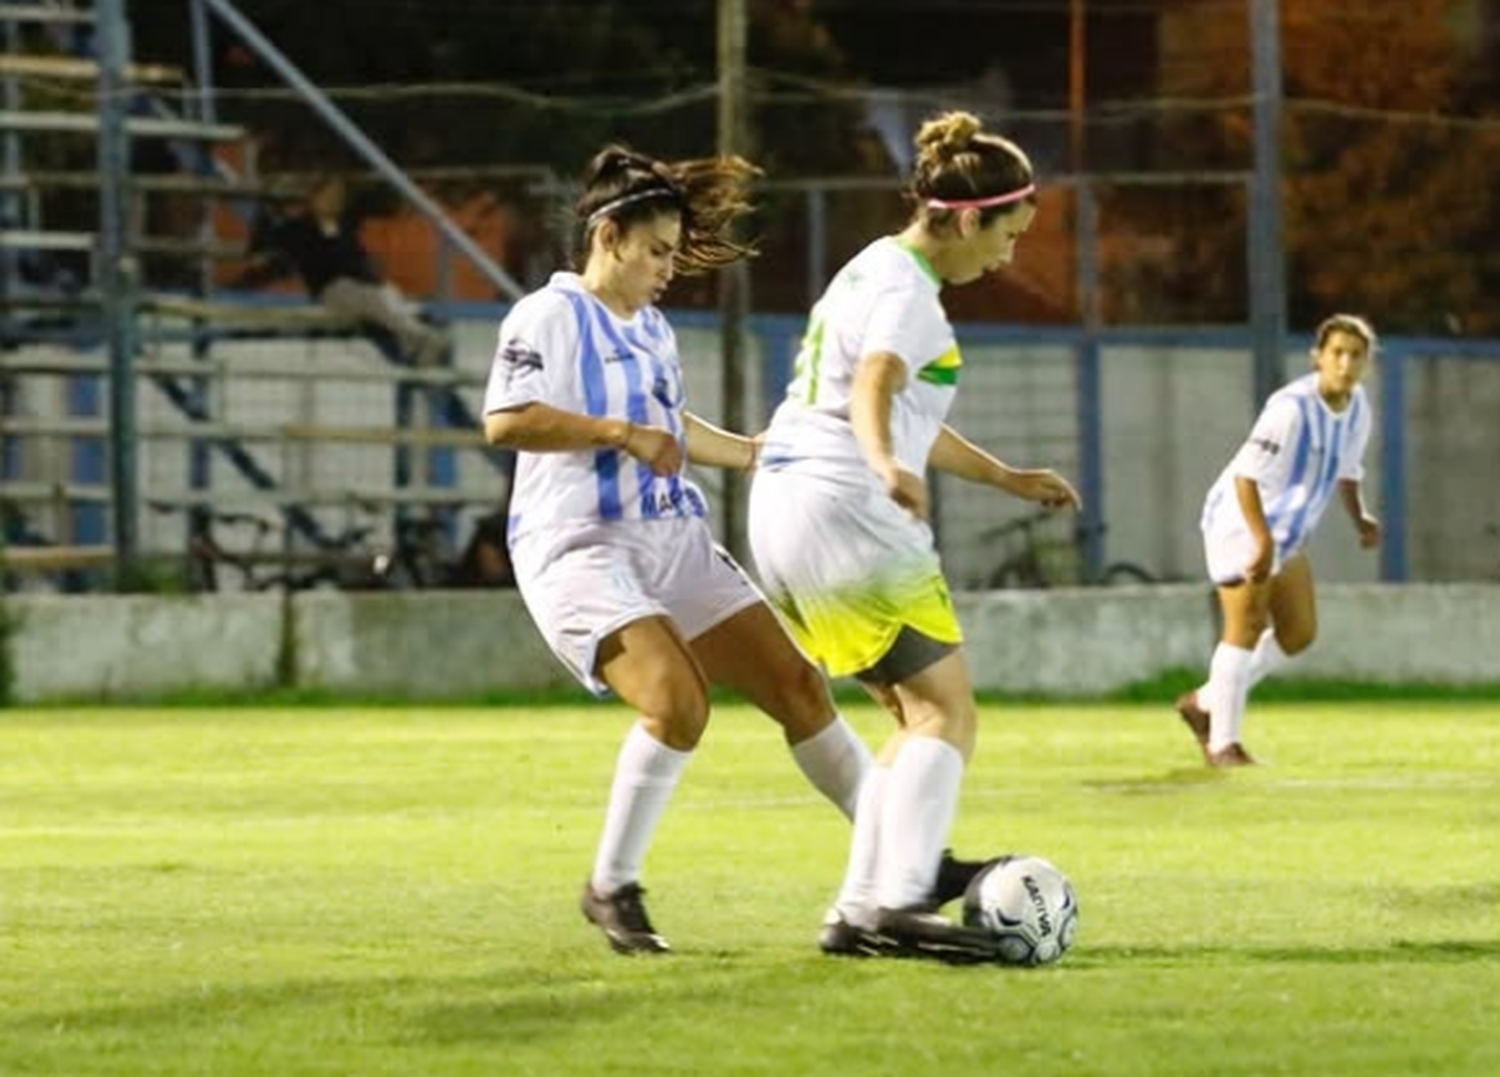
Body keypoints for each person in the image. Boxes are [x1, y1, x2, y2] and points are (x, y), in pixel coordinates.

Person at [481, 144, 961, 956]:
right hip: (578, 546)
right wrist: (615, 433)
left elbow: (671, 428)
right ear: (608, 236)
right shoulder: (548, 316)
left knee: (800, 687)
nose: (670, 268)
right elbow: (507, 420)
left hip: (673, 540)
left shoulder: (655, 329)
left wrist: (751, 450)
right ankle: (612, 885)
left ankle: (903, 865)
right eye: (658, 250)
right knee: (678, 701)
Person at [747, 111, 1081, 963]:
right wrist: (885, 460)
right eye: (1007, 235)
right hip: (846, 504)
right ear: (968, 218)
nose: (1008, 255)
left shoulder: (869, 269)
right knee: (948, 712)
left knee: (909, 714)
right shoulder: (907, 291)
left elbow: (900, 405)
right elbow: (876, 382)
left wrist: (1004, 476)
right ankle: (898, 901)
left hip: (787, 508)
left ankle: (859, 909)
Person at [1176, 314, 1381, 766]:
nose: (1346, 364)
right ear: (1318, 358)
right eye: (1337, 353)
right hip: (1240, 522)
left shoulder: (1357, 406)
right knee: (1244, 629)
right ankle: (1223, 746)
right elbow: (1247, 477)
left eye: (1356, 355)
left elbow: (1347, 469)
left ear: (1366, 362)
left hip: (1285, 530)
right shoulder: (1291, 409)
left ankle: (1206, 701)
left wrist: (1360, 517)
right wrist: (1261, 541)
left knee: (1298, 632)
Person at [234, 174, 450, 367]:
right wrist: (266, 209)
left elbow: (357, 260)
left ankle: (416, 341)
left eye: (337, 196)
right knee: (369, 297)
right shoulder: (298, 228)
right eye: (327, 196)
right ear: (314, 199)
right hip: (333, 292)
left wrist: (371, 274)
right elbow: (260, 249)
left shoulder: (342, 227)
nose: (333, 201)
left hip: (361, 288)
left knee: (385, 294)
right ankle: (420, 336)